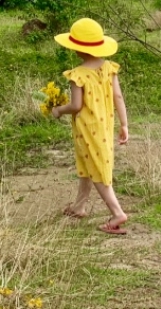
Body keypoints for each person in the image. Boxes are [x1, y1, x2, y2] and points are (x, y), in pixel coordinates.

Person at [49, 17, 130, 235]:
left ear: (77, 49)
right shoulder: (109, 68)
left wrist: (59, 110)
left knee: (97, 170)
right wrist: (124, 124)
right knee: (88, 163)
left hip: (87, 129)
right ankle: (79, 206)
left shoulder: (78, 75)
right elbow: (118, 97)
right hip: (104, 128)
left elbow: (76, 105)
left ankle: (117, 213)